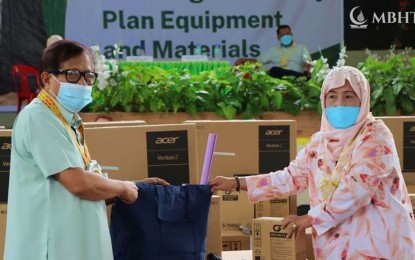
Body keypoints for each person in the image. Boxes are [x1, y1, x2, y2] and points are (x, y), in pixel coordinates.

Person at [209, 66, 415, 259]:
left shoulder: (376, 136)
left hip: (380, 246)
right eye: (332, 96)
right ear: (323, 101)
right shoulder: (320, 142)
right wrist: (235, 183)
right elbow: (290, 178)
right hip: (335, 248)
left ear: (363, 100)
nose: (339, 104)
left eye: (349, 96)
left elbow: (356, 190)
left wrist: (306, 220)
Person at [4, 40, 169, 260]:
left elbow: (83, 185)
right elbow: (78, 183)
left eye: (88, 76)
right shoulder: (38, 117)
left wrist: (134, 187)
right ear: (46, 79)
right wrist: (123, 188)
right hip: (49, 250)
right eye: (72, 74)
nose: (82, 83)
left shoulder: (67, 120)